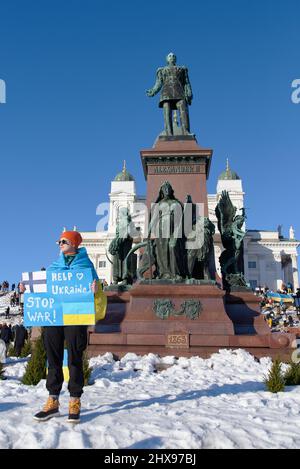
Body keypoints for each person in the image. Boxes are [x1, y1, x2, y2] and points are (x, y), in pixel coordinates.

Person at [19, 230, 99, 423]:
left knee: (74, 356)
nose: (59, 244)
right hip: (54, 316)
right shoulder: (54, 266)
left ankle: (74, 400)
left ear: (74, 243)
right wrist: (26, 290)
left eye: (63, 241)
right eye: (59, 241)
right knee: (53, 357)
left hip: (75, 316)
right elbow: (43, 288)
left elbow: (95, 288)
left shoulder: (85, 265)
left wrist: (95, 289)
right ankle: (53, 401)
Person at [146, 52, 193, 136]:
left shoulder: (182, 69)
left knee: (183, 110)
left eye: (173, 56)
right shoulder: (162, 70)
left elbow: (186, 83)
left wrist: (189, 92)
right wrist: (153, 91)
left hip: (179, 92)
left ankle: (185, 132)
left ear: (175, 59)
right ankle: (169, 133)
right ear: (167, 59)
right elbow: (158, 83)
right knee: (167, 112)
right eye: (170, 56)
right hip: (166, 93)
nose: (172, 57)